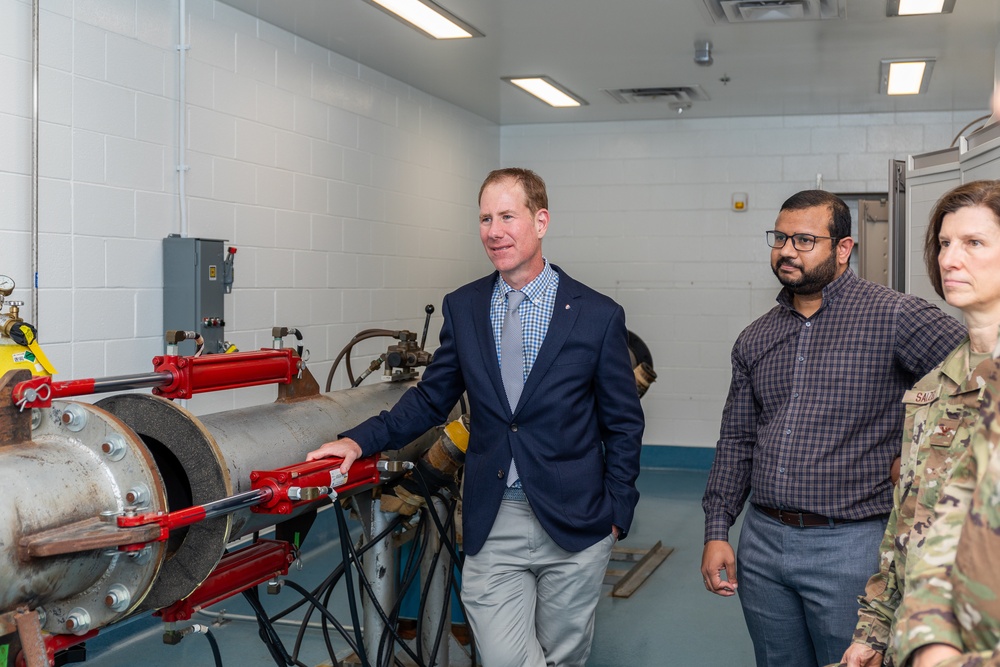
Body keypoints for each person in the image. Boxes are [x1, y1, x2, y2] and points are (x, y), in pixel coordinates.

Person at [306, 167, 644, 667]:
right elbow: (429, 400)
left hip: (576, 520)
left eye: (508, 216)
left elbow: (623, 423)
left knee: (563, 656)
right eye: (485, 218)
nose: (493, 230)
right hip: (494, 516)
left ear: (541, 220)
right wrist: (359, 441)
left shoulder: (597, 314)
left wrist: (618, 512)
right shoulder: (464, 307)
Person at [700, 189, 966, 667]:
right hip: (761, 543)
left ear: (843, 249)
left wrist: (925, 457)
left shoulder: (895, 317)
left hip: (850, 546)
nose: (786, 250)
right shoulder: (756, 337)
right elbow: (737, 440)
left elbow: (980, 377)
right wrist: (718, 528)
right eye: (779, 238)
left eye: (804, 240)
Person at [838, 180, 1000, 667]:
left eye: (974, 243)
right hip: (918, 637)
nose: (951, 260)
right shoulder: (935, 385)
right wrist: (874, 632)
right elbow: (907, 520)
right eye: (945, 244)